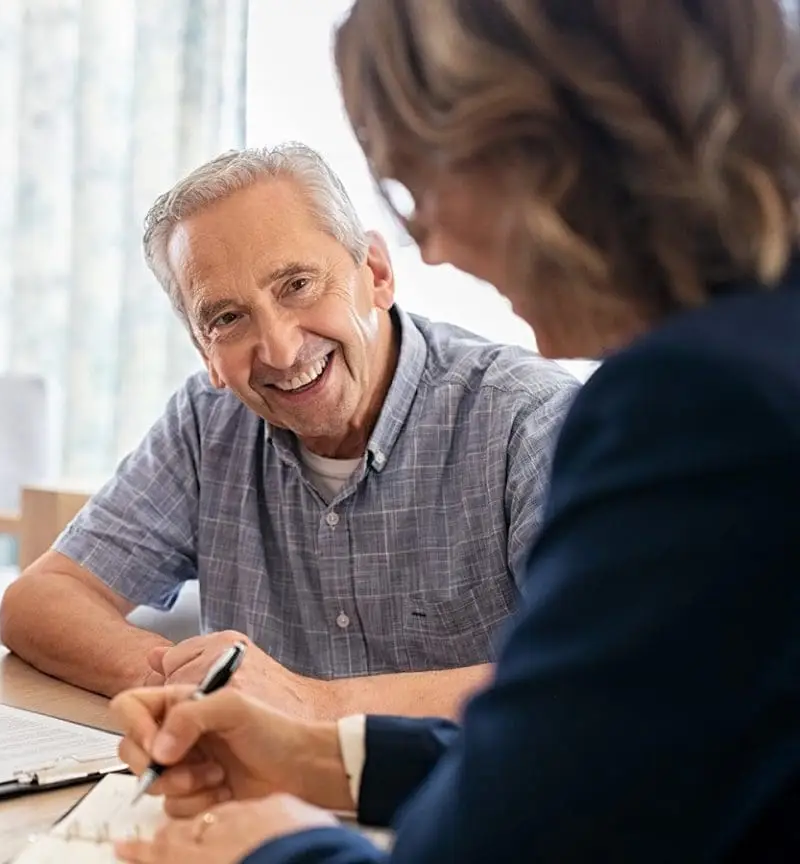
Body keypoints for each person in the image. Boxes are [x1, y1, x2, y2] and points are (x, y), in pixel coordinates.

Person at [108, 0, 800, 861]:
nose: (428, 245)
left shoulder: (697, 407)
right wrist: (317, 757)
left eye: (417, 185)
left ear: (540, 148)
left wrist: (272, 850)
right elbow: (593, 746)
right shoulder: (761, 356)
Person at [0, 143, 579, 720]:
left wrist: (310, 704)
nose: (279, 349)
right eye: (227, 318)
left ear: (375, 274)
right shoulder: (208, 422)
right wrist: (197, 684)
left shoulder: (529, 420)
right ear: (206, 351)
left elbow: (598, 672)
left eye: (297, 285)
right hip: (257, 804)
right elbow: (38, 601)